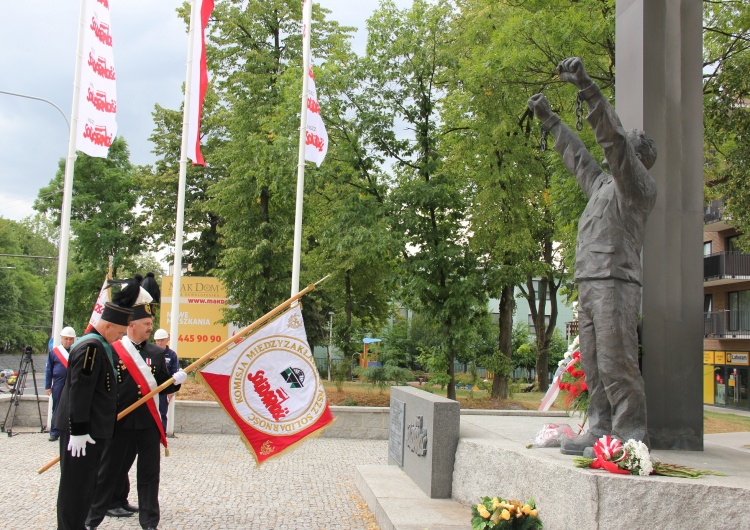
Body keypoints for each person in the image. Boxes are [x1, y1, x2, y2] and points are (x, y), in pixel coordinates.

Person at [528, 57, 657, 456]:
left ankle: (631, 433)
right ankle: (601, 429)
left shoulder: (638, 188)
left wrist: (588, 88)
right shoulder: (603, 185)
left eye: (627, 145)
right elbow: (578, 156)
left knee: (617, 362)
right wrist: (550, 120)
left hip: (615, 281)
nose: (619, 144)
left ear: (638, 160)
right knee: (595, 366)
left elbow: (612, 141)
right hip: (589, 280)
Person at [86, 283, 187, 530]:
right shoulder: (113, 350)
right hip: (120, 423)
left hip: (148, 424)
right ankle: (91, 520)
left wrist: (176, 383)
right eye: (147, 324)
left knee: (150, 475)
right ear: (131, 324)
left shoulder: (156, 352)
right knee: (109, 474)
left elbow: (163, 387)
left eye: (151, 324)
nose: (151, 328)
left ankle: (149, 522)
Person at [54, 287, 138, 530]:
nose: (121, 337)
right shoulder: (91, 347)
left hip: (90, 431)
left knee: (84, 487)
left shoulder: (98, 345)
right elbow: (81, 391)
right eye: (121, 332)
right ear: (109, 325)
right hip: (83, 433)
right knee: (76, 488)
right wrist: (78, 430)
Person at [45, 326, 76, 441]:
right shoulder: (54, 352)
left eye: (70, 339)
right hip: (58, 383)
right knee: (57, 407)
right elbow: (49, 369)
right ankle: (55, 432)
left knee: (72, 407)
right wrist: (48, 386)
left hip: (73, 383)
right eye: (66, 339)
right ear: (62, 339)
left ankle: (69, 431)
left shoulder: (77, 351)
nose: (68, 341)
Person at [154, 328, 180, 432]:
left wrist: (171, 390)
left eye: (162, 340)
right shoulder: (151, 352)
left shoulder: (172, 355)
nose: (160, 343)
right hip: (152, 388)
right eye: (158, 340)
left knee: (162, 412)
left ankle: (162, 435)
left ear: (166, 340)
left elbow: (175, 373)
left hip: (164, 388)